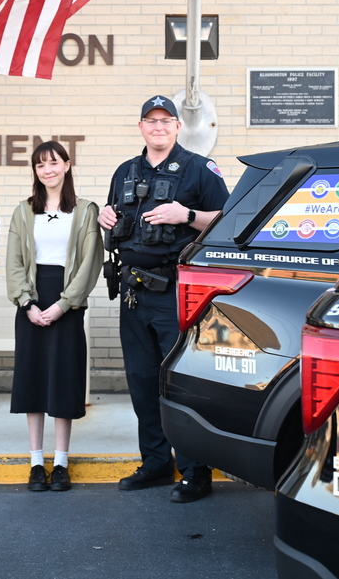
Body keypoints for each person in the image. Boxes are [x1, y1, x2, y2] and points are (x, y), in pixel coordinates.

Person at [98, 95, 229, 503]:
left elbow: (228, 219)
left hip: (176, 294)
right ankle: (155, 462)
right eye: (150, 121)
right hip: (133, 293)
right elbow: (117, 216)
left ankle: (194, 471)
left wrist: (186, 216)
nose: (158, 127)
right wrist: (106, 216)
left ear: (177, 127)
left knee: (180, 383)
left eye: (166, 121)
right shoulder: (125, 171)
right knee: (142, 382)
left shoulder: (198, 168)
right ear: (141, 127)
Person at [6, 141, 104, 492]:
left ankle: (61, 461)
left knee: (63, 381)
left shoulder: (84, 210)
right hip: (32, 303)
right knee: (33, 381)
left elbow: (90, 263)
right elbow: (14, 262)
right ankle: (36, 460)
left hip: (67, 304)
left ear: (66, 165)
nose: (47, 170)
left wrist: (64, 304)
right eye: (39, 165)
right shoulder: (23, 211)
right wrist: (27, 304)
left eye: (53, 163)